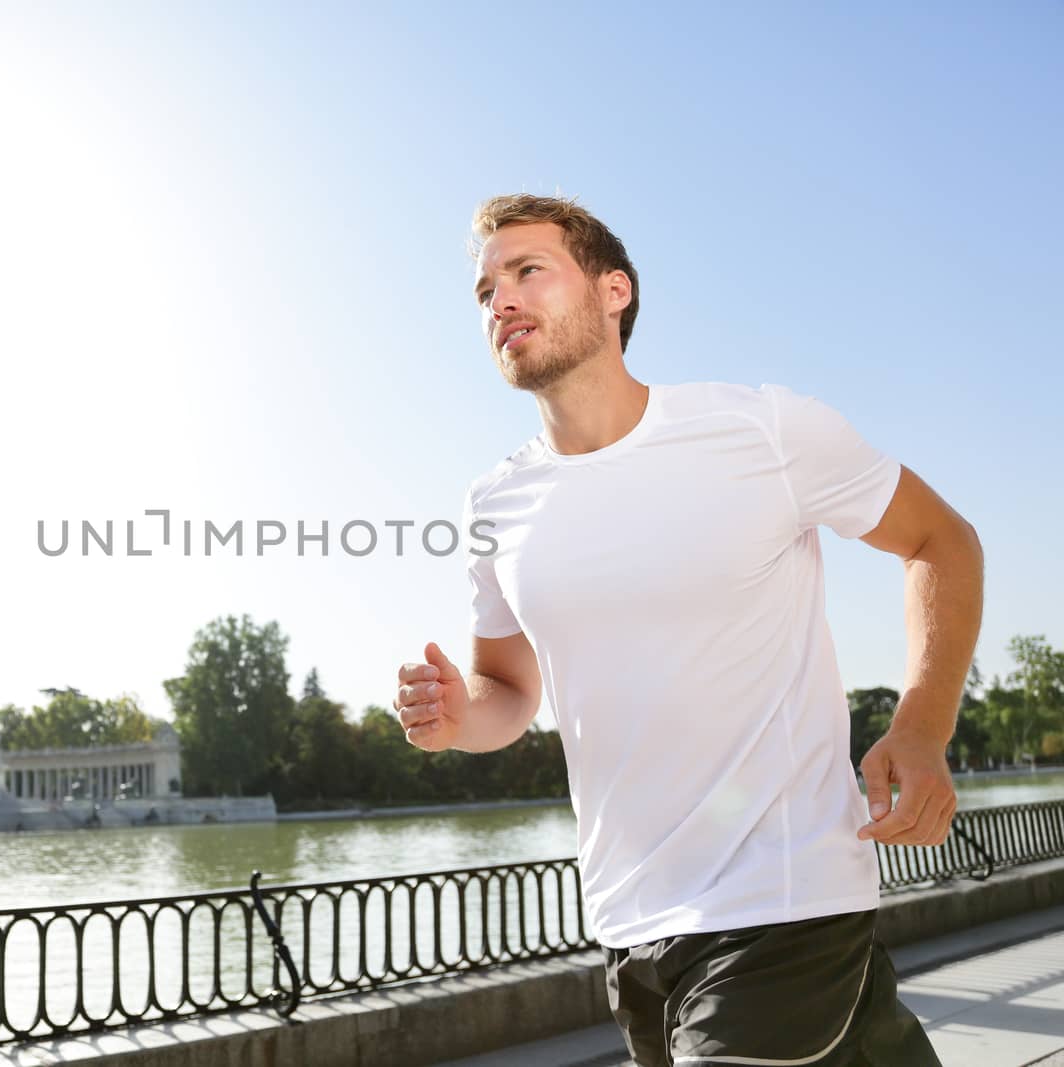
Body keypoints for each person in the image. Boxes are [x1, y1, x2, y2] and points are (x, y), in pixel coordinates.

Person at [392, 195, 984, 1065]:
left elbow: (943, 540)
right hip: (632, 926)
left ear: (613, 291)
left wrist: (923, 726)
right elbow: (511, 693)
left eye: (527, 271)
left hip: (784, 903)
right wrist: (455, 715)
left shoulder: (760, 429)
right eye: (484, 289)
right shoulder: (495, 504)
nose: (499, 301)